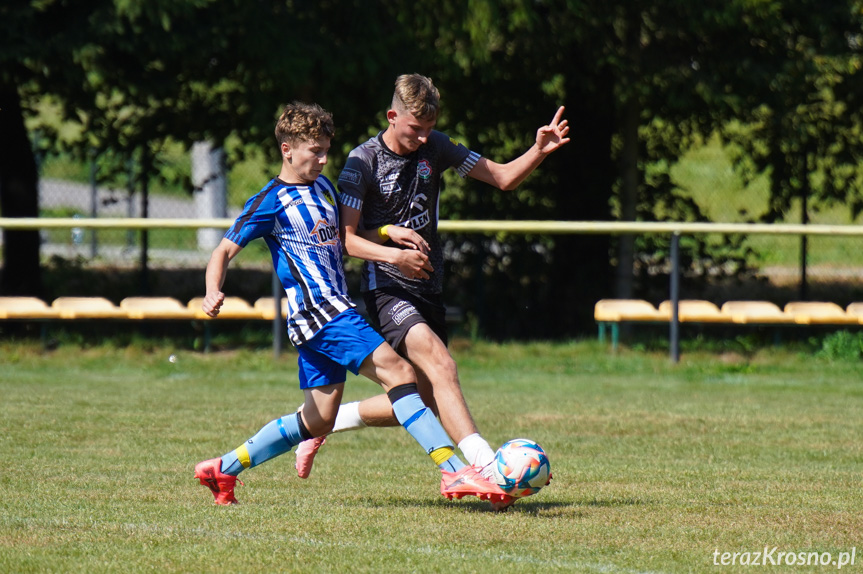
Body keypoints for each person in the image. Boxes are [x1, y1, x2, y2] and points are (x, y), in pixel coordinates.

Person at [193, 101, 509, 506]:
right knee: (399, 371)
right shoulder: (270, 200)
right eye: (315, 152)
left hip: (328, 313)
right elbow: (222, 251)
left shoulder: (323, 188)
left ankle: (222, 469)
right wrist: (212, 290)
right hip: (321, 313)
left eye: (327, 150)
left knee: (319, 418)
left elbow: (347, 237)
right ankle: (453, 471)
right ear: (287, 149)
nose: (324, 160)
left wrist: (386, 230)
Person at [293, 74, 569, 503]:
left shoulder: (436, 146)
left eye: (429, 127)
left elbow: (502, 178)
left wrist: (537, 151)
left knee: (422, 395)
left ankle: (320, 424)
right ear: (391, 116)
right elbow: (347, 239)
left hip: (428, 288)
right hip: (386, 288)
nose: (423, 137)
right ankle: (484, 467)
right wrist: (393, 253)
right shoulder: (360, 162)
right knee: (443, 366)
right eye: (413, 128)